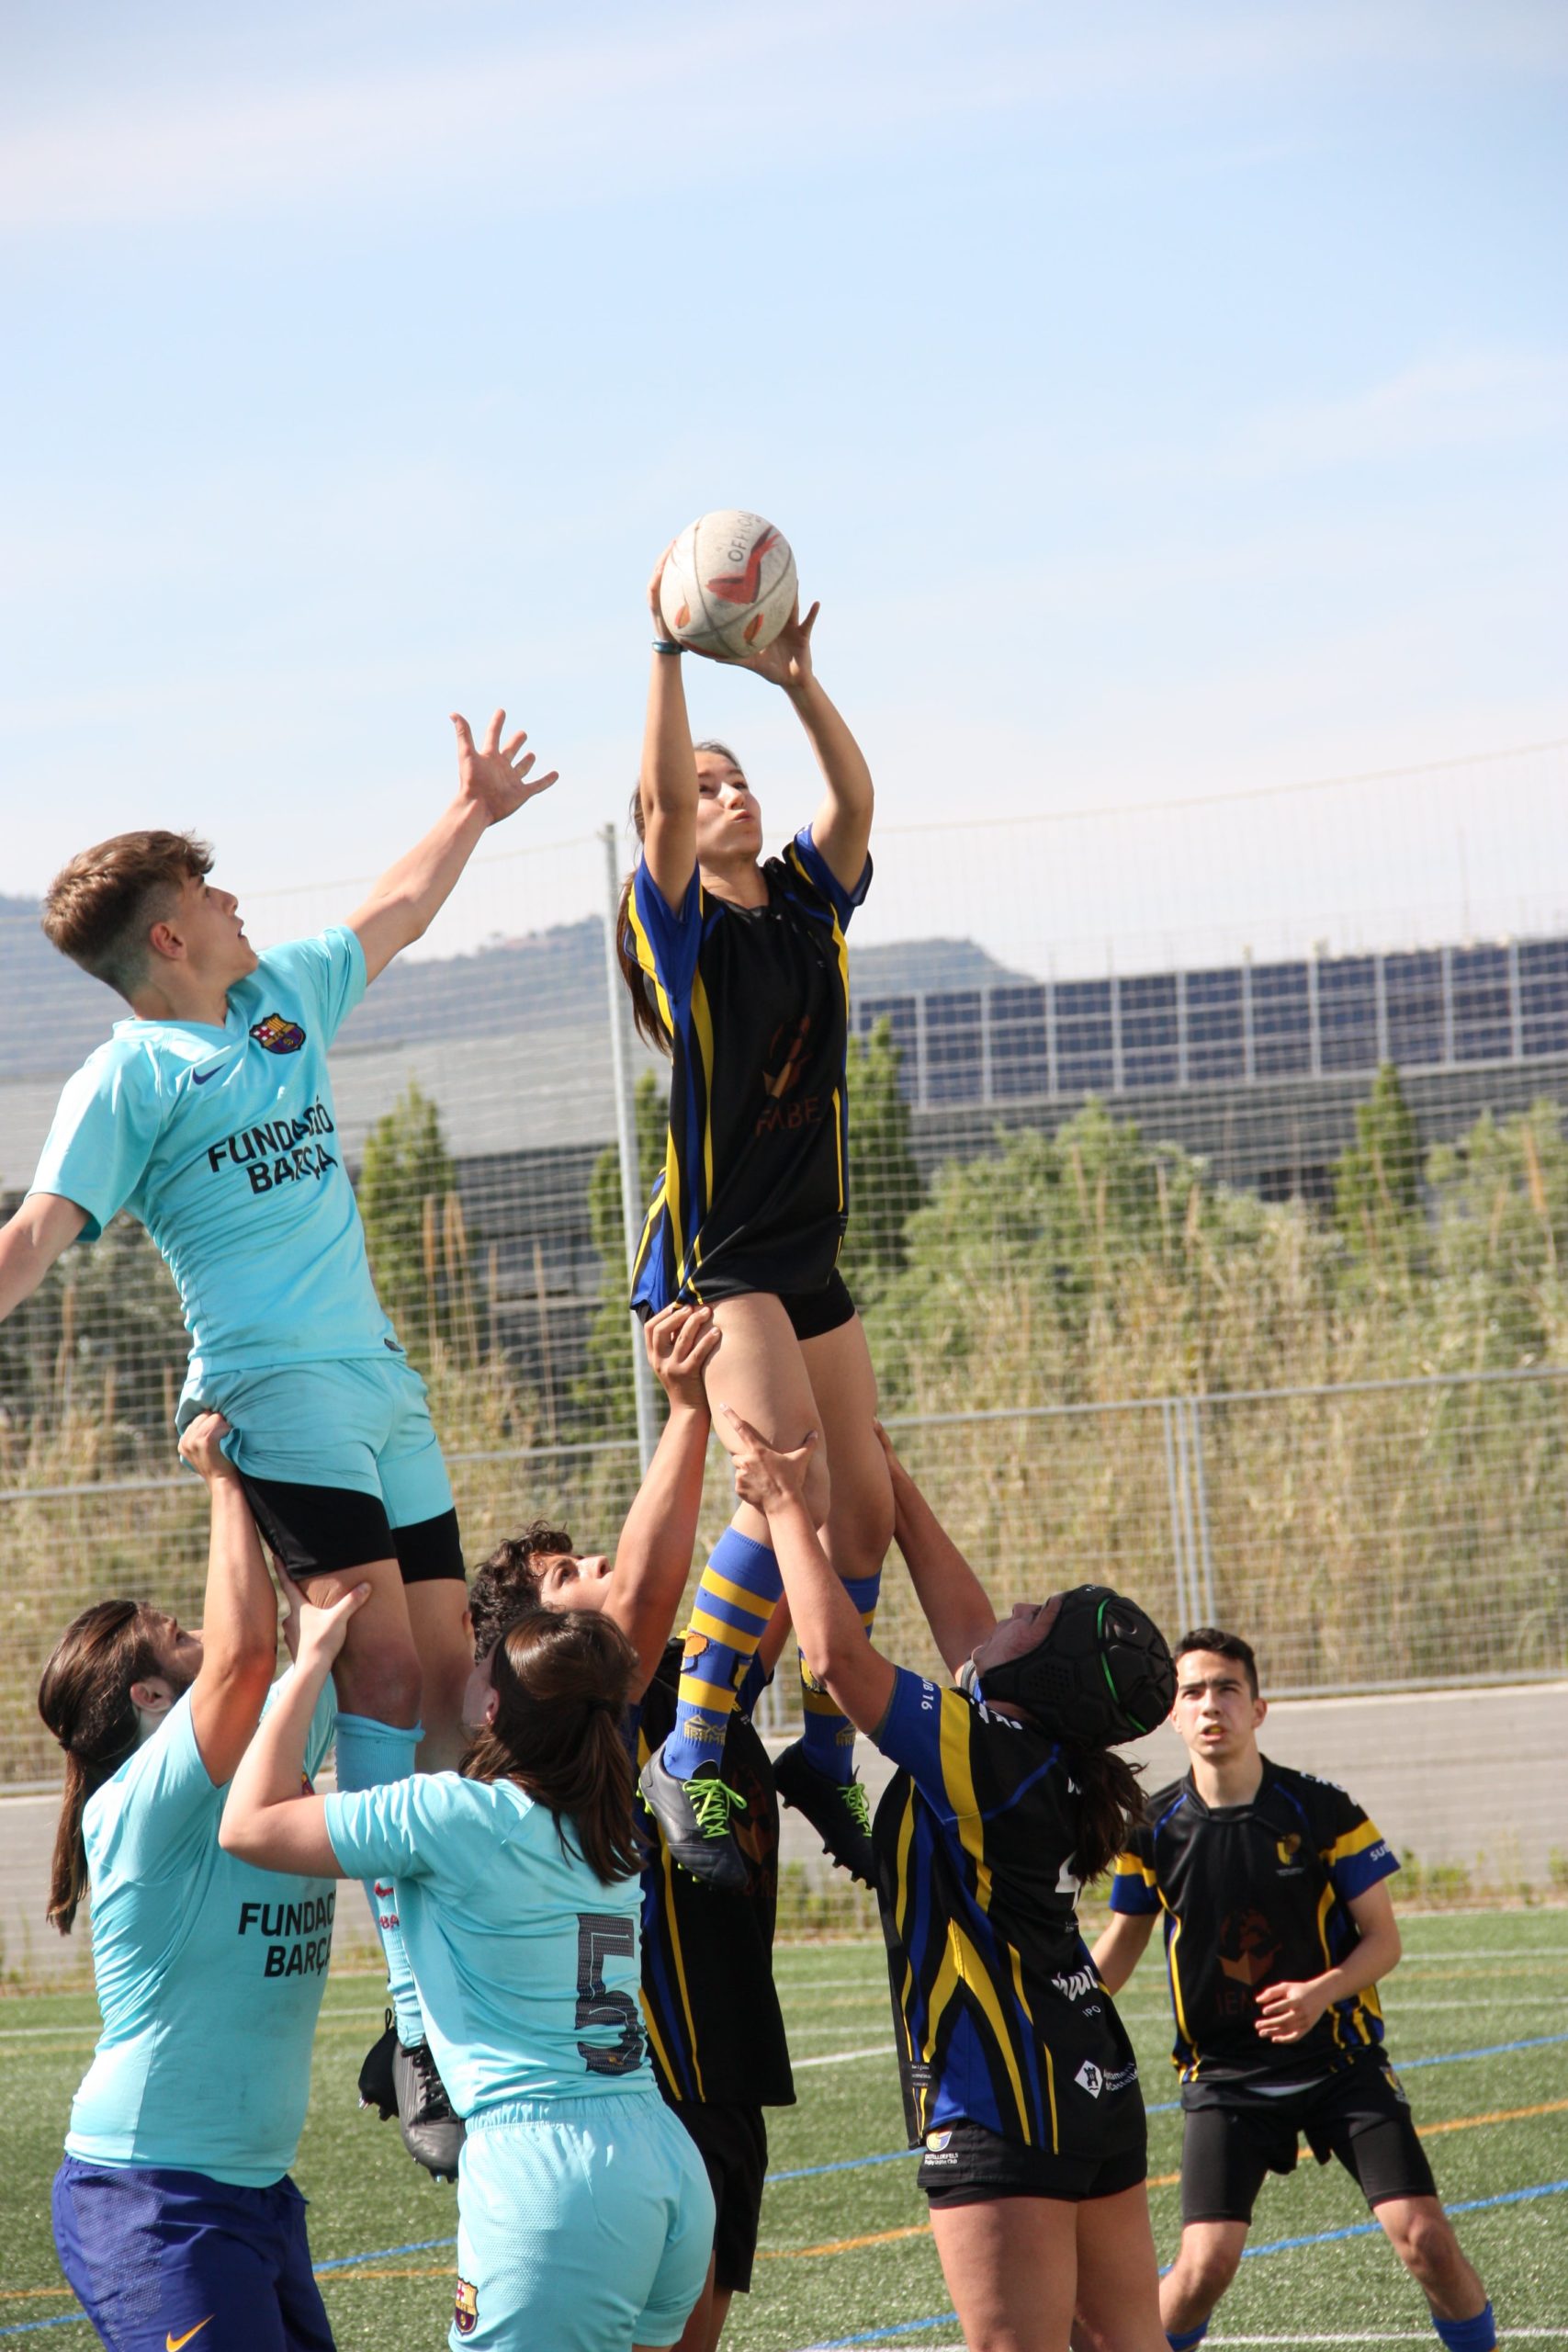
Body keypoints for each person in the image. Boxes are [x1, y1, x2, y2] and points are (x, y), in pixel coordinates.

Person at [1, 709, 556, 2167]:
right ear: (174, 934)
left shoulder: (280, 1004)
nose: (251, 906)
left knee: (453, 1679)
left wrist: (476, 810)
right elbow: (36, 1236)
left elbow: (394, 906)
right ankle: (426, 2037)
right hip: (274, 1396)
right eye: (223, 894)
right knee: (373, 1673)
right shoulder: (124, 1082)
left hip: (380, 1386)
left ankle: (459, 1988)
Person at [719, 1408, 1176, 2352]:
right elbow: (972, 1628)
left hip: (1000, 2091)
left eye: (1034, 1616)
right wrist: (884, 1475)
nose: (1010, 1610)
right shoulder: (1035, 1748)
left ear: (1043, 1670)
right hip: (1089, 2072)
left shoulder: (992, 1753)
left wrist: (785, 1508)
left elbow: (840, 1662)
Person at [219, 1579, 715, 2352]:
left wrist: (310, 1658)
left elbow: (249, 1825)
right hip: (659, 2153)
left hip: (549, 2177)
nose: (466, 1664)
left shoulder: (453, 1816)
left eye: (483, 1662)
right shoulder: (605, 1828)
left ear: (494, 1711)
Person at [618, 549, 893, 1889]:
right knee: (778, 1475)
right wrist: (671, 649)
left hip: (807, 1254)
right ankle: (692, 1741)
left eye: (741, 785)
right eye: (709, 788)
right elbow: (662, 801)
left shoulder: (803, 899)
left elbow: (855, 798)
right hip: (720, 1265)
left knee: (860, 1527)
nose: (731, 799)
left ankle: (825, 1757)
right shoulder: (679, 928)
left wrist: (796, 679)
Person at [465, 1318, 795, 2352]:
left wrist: (798, 1423)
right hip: (656, 2085)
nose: (597, 1560)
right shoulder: (586, 1723)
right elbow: (647, 1602)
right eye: (566, 1574)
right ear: (535, 1653)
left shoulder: (686, 1681)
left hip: (726, 2065)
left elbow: (790, 1583)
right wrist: (688, 1408)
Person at [1092, 1626, 1496, 2352]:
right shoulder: (1151, 1830)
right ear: (1173, 1716)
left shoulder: (1320, 1811)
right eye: (1192, 1692)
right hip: (1224, 2078)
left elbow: (1383, 1941)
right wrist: (1057, 2011)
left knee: (1424, 2239)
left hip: (1341, 2066)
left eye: (1226, 1689)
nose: (1210, 1704)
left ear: (1257, 1709)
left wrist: (1320, 1993)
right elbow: (1117, 1951)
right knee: (1202, 2268)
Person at [38, 1410, 339, 2352]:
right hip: (154, 2197)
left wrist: (293, 1443)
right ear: (149, 1699)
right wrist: (221, 1479)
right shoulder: (137, 1802)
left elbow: (312, 1624)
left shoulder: (262, 1745)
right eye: (176, 1633)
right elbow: (251, 1656)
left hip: (251, 2189)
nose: (200, 1625)